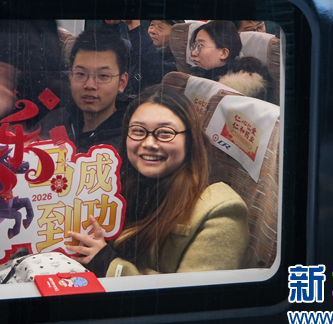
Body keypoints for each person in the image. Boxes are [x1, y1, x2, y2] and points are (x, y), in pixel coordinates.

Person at [67, 86, 249, 276]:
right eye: (138, 131)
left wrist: (109, 264)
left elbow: (194, 292)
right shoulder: (120, 182)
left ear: (190, 139)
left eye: (165, 133)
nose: (149, 143)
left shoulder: (221, 210)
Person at [40, 27, 129, 152]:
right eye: (80, 74)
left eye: (103, 76)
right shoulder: (53, 122)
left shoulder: (130, 141)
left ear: (122, 83)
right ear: (70, 76)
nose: (90, 85)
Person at [189, 21, 273, 101]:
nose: (193, 53)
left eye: (200, 46)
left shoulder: (225, 91)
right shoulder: (200, 76)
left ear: (224, 53)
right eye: (195, 46)